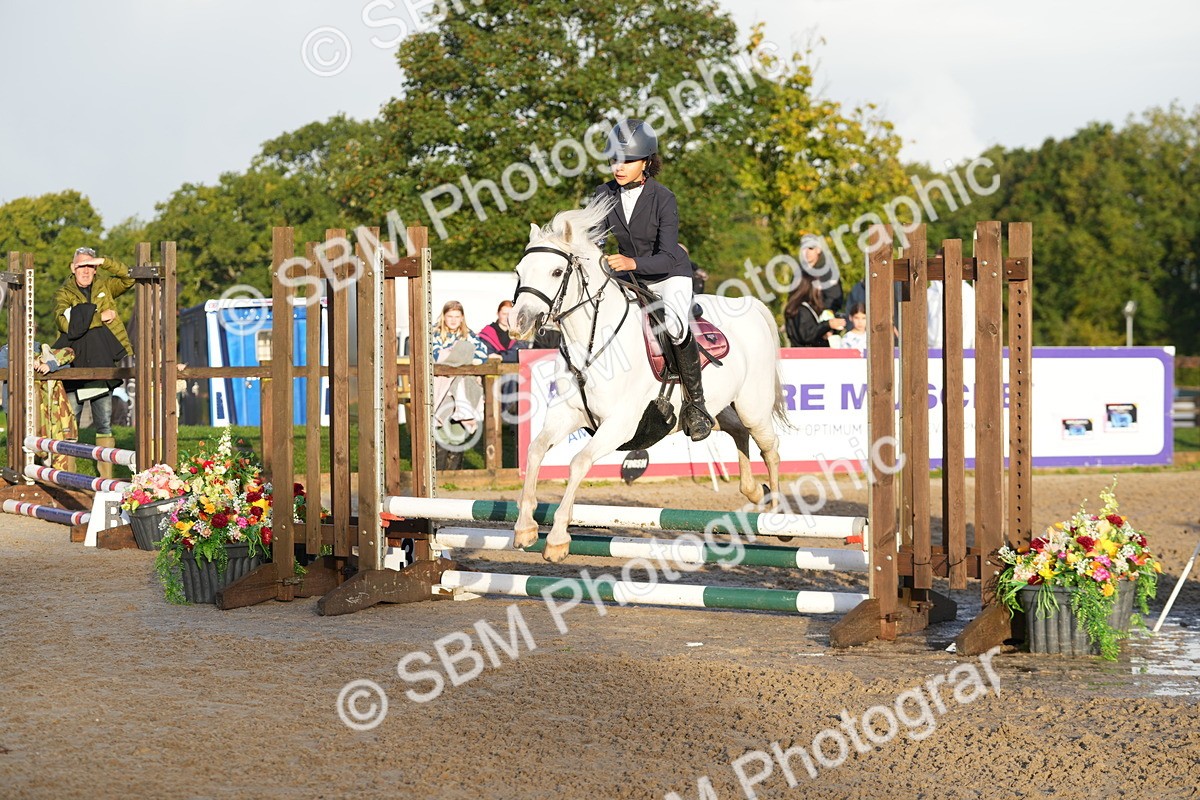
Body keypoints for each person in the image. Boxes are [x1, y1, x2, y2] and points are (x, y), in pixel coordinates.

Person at [593, 118, 713, 441]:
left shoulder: (663, 198)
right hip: (629, 276)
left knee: (674, 324)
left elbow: (666, 254)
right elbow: (594, 240)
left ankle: (696, 406)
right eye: (614, 159)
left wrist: (631, 261)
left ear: (646, 162)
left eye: (627, 160)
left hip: (668, 274)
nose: (619, 167)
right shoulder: (603, 194)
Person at [53, 246, 134, 476]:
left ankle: (106, 478)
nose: (86, 271)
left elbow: (129, 278)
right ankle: (68, 475)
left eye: (90, 265)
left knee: (104, 423)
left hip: (102, 363)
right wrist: (101, 317)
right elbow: (67, 325)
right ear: (72, 268)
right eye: (81, 266)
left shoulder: (105, 286)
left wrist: (105, 261)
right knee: (70, 424)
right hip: (76, 365)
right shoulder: (63, 293)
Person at [430, 300, 487, 470]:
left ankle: (454, 475)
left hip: (462, 386)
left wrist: (456, 353)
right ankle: (438, 473)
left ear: (462, 318)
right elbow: (437, 357)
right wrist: (462, 352)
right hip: (441, 386)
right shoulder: (435, 334)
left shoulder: (469, 335)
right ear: (444, 317)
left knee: (458, 430)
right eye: (450, 316)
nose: (453, 320)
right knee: (440, 429)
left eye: (457, 316)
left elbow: (481, 354)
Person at [784, 272, 847, 347]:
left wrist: (823, 333)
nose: (820, 288)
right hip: (805, 355)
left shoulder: (804, 308)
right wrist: (828, 324)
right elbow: (806, 335)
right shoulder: (802, 310)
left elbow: (811, 332)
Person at [799, 234, 844, 315]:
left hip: (822, 319)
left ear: (818, 250)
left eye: (811, 248)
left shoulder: (828, 272)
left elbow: (834, 300)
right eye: (804, 248)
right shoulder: (799, 272)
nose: (807, 252)